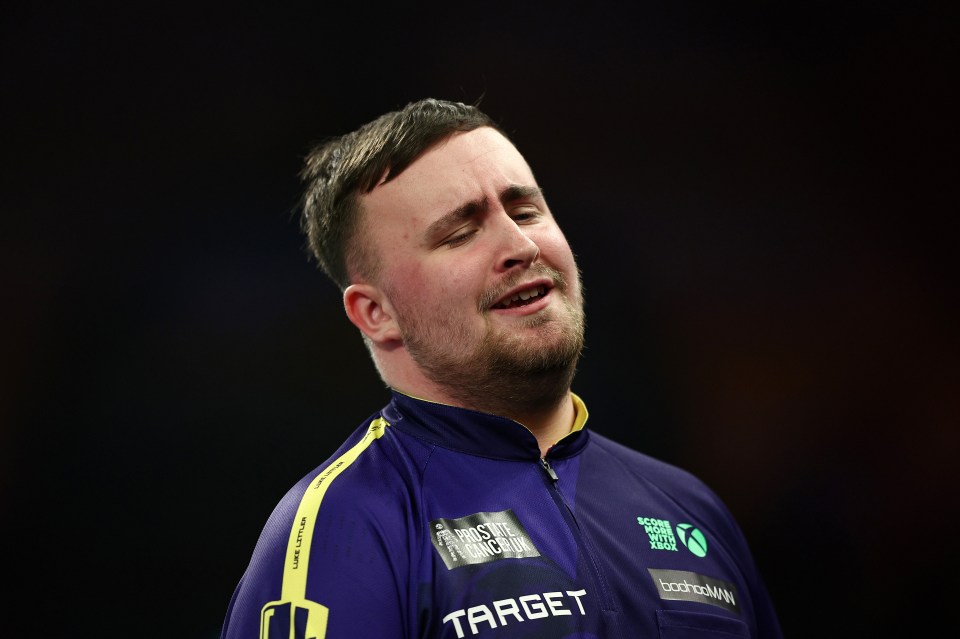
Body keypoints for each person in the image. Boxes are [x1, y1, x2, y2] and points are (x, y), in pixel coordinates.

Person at [221, 98, 783, 639]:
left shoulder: (690, 509)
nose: (519, 245)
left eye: (525, 210)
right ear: (377, 313)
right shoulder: (344, 525)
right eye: (460, 233)